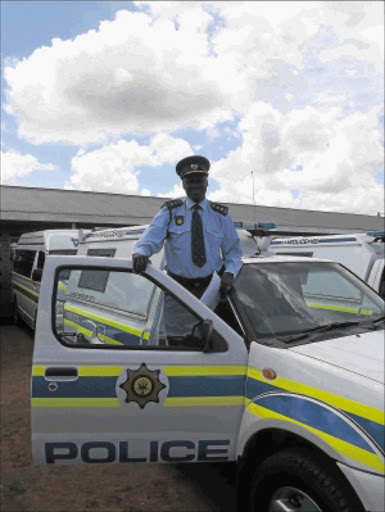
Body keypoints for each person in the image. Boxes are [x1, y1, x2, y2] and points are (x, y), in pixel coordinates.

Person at [132, 155, 242, 301]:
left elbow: (233, 251)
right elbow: (151, 237)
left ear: (207, 183)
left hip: (212, 289)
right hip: (177, 290)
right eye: (190, 181)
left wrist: (230, 273)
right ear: (183, 184)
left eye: (200, 180)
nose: (195, 185)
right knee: (177, 325)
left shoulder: (220, 214)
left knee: (215, 325)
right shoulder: (170, 211)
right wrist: (140, 253)